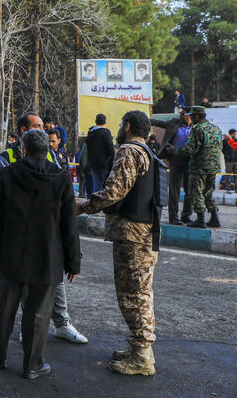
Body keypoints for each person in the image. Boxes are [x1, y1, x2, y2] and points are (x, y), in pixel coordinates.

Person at [0, 129, 81, 380]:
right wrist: (74, 262)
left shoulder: (7, 176)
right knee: (38, 314)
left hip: (11, 254)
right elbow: (69, 225)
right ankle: (33, 365)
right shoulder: (61, 178)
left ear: (23, 149)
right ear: (47, 150)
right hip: (47, 258)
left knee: (5, 307)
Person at [0, 113, 88, 345]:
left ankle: (62, 323)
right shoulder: (6, 158)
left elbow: (61, 198)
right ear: (23, 131)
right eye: (37, 127)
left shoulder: (51, 156)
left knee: (54, 282)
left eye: (44, 128)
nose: (44, 130)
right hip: (18, 235)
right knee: (24, 285)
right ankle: (29, 328)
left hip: (47, 234)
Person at [78, 110, 159, 375]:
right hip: (145, 232)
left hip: (132, 235)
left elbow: (114, 191)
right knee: (140, 291)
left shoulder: (129, 151)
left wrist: (83, 207)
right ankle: (140, 348)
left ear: (127, 126)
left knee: (132, 294)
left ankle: (142, 356)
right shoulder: (148, 152)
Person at [168, 105, 223, 228]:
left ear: (197, 116)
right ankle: (215, 218)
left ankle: (200, 219)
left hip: (199, 167)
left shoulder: (197, 129)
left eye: (192, 116)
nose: (191, 118)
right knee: (208, 193)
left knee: (196, 192)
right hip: (213, 167)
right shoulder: (216, 129)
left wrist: (174, 150)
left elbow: (191, 150)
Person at [151, 107, 193, 224]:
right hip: (175, 159)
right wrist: (145, 120)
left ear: (190, 115)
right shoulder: (174, 122)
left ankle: (186, 215)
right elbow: (158, 123)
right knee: (174, 190)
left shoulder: (196, 126)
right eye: (180, 114)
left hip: (190, 161)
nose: (181, 116)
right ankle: (173, 217)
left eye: (183, 114)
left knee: (189, 190)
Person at [86, 114, 115, 192]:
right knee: (105, 185)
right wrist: (113, 157)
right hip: (104, 163)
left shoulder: (90, 133)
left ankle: (94, 201)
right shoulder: (106, 132)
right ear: (105, 122)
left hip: (93, 163)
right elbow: (110, 148)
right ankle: (102, 203)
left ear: (96, 121)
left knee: (96, 184)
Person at [223, 129, 237, 193]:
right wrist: (227, 155)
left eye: (235, 134)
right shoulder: (225, 141)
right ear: (230, 134)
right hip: (228, 161)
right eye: (234, 134)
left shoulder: (236, 141)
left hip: (236, 161)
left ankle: (236, 189)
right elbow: (222, 150)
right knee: (228, 176)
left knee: (236, 176)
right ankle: (228, 189)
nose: (235, 135)